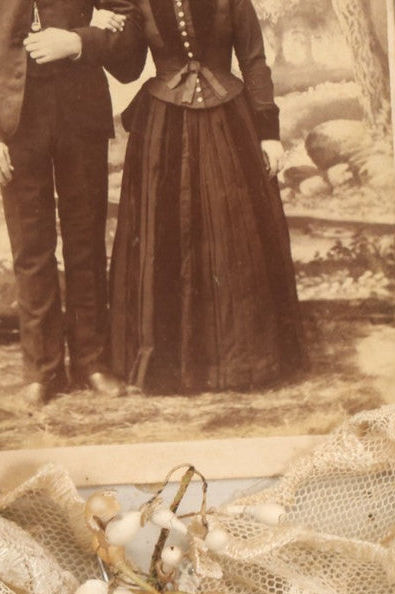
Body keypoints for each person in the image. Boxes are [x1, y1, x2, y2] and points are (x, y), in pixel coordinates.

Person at [108, 0, 303, 394]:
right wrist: (107, 24)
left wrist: (268, 132)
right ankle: (169, 364)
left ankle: (238, 362)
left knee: (233, 236)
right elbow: (127, 67)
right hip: (161, 127)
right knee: (164, 239)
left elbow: (253, 60)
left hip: (228, 122)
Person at [0, 0, 142, 407]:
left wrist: (78, 41)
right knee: (30, 247)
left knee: (86, 240)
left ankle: (92, 361)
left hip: (80, 109)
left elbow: (131, 29)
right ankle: (42, 369)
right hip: (12, 117)